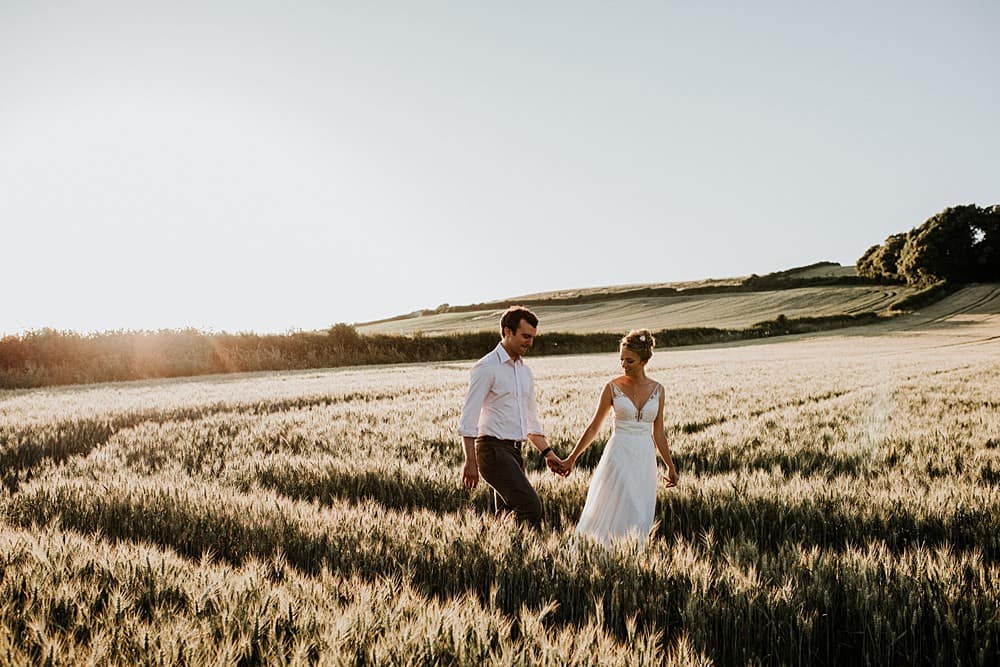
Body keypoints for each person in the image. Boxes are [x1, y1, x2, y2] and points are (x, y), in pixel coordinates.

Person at [563, 329, 679, 546]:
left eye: (629, 360)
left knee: (640, 513)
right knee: (616, 507)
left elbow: (659, 433)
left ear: (644, 360)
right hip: (619, 454)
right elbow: (594, 427)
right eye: (621, 359)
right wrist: (572, 458)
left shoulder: (658, 390)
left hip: (644, 458)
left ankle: (630, 556)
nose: (623, 365)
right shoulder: (612, 387)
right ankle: (598, 553)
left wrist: (670, 466)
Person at [458, 306, 567, 527]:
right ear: (508, 331)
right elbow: (469, 418)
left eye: (533, 337)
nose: (530, 342)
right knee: (530, 507)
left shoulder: (524, 372)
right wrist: (470, 461)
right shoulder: (486, 367)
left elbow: (530, 420)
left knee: (507, 515)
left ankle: (501, 546)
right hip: (492, 451)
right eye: (525, 336)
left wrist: (548, 453)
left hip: (515, 453)